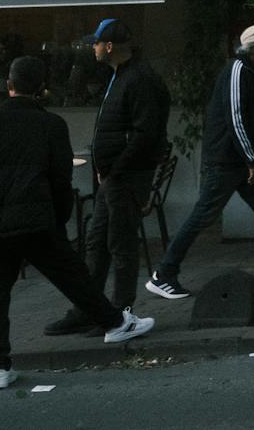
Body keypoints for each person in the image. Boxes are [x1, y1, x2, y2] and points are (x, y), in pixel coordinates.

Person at [0, 56, 153, 390]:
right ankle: (115, 322)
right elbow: (61, 182)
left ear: (8, 85)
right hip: (33, 219)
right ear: (42, 88)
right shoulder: (51, 125)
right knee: (72, 276)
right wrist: (58, 220)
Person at [145, 25, 254, 301]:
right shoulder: (239, 71)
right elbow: (236, 118)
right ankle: (163, 274)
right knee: (203, 216)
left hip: (240, 160)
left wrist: (251, 159)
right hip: (228, 161)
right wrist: (251, 159)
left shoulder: (252, 73)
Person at [48, 18, 169, 336]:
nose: (93, 48)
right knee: (97, 241)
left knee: (120, 243)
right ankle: (90, 310)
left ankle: (120, 314)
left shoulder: (137, 79)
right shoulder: (121, 76)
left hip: (124, 177)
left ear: (110, 46)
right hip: (114, 176)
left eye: (96, 43)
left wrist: (115, 167)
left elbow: (146, 132)